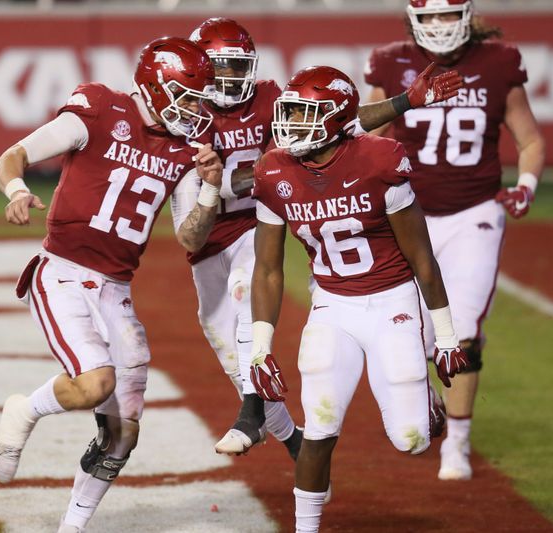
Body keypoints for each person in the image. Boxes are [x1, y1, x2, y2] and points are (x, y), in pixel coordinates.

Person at [183, 17, 463, 458]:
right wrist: (207, 190)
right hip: (209, 237)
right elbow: (186, 229)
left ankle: (254, 415)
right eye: (220, 69)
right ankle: (287, 436)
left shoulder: (273, 99)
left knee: (251, 295)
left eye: (238, 67)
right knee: (237, 361)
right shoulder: (183, 112)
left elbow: (339, 121)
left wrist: (405, 101)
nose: (231, 79)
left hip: (264, 219)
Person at [0, 37, 224, 533]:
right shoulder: (98, 109)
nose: (196, 109)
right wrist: (16, 190)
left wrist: (208, 187)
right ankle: (26, 410)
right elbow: (13, 156)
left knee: (124, 433)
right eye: (188, 96)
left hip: (116, 287)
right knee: (96, 383)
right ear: (156, 87)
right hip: (64, 274)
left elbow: (189, 236)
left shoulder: (187, 149)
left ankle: (72, 527)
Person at [248, 65, 470, 533]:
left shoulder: (378, 160)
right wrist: (260, 348)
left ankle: (424, 401)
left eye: (304, 114)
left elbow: (423, 260)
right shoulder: (273, 171)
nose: (290, 125)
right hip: (333, 304)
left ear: (333, 119)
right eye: (289, 112)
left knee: (411, 441)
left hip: (393, 301)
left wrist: (447, 338)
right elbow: (267, 268)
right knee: (321, 423)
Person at [364, 0, 545, 480]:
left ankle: (457, 446)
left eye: (449, 16)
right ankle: (433, 408)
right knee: (413, 335)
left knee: (459, 332)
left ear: (466, 16)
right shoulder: (390, 61)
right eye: (430, 18)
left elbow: (529, 138)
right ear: (412, 21)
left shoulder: (498, 61)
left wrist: (526, 185)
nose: (441, 27)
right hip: (407, 215)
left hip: (474, 213)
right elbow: (367, 134)